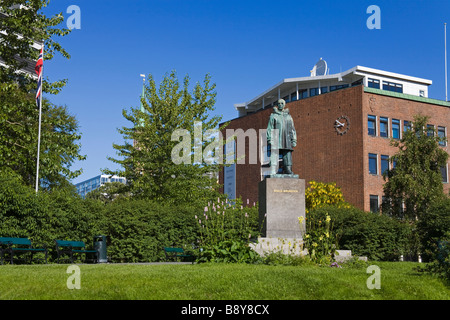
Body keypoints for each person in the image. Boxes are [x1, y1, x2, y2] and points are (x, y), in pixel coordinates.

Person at [266, 99, 297, 176]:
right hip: (276, 137)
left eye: (282, 103)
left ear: (284, 104)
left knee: (287, 153)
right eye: (278, 103)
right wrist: (269, 138)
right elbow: (269, 128)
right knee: (274, 153)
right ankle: (273, 169)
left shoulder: (289, 117)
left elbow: (292, 129)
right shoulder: (273, 116)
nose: (280, 104)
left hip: (286, 138)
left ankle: (288, 169)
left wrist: (294, 139)